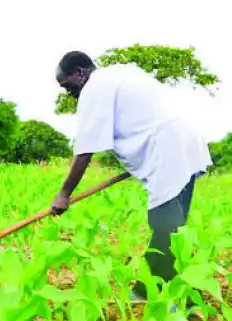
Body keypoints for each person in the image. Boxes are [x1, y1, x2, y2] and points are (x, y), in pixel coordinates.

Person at [51, 51, 211, 298]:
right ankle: (152, 290)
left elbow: (85, 150)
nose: (67, 92)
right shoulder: (121, 73)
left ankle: (168, 295)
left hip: (167, 146)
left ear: (79, 73)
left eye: (66, 84)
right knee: (174, 227)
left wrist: (64, 194)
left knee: (166, 225)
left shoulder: (94, 86)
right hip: (186, 139)